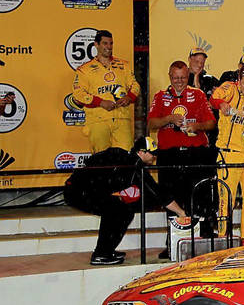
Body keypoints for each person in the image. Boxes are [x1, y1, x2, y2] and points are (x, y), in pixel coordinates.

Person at [63, 137, 187, 265]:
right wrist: (181, 212)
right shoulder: (134, 166)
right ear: (141, 152)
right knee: (116, 210)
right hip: (78, 192)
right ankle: (101, 254)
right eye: (152, 154)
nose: (154, 157)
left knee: (125, 210)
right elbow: (159, 194)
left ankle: (107, 250)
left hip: (80, 189)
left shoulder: (125, 157)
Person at [147, 61, 218, 253]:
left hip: (196, 154)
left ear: (188, 77)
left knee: (199, 197)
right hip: (169, 155)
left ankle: (204, 241)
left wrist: (197, 127)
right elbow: (152, 123)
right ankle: (174, 243)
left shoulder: (198, 94)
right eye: (175, 77)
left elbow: (211, 123)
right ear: (169, 76)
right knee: (172, 200)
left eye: (183, 77)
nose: (179, 81)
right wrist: (169, 118)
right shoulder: (161, 96)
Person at [210, 64, 244, 245]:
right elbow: (213, 98)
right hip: (229, 154)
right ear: (239, 78)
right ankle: (223, 240)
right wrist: (222, 104)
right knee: (225, 201)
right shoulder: (229, 88)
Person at [72, 30, 140, 153]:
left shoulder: (123, 65)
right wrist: (101, 102)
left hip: (122, 119)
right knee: (100, 160)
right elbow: (78, 94)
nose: (109, 47)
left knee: (126, 157)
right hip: (98, 120)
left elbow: (135, 85)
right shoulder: (84, 70)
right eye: (105, 43)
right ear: (96, 45)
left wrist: (129, 97)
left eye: (111, 43)